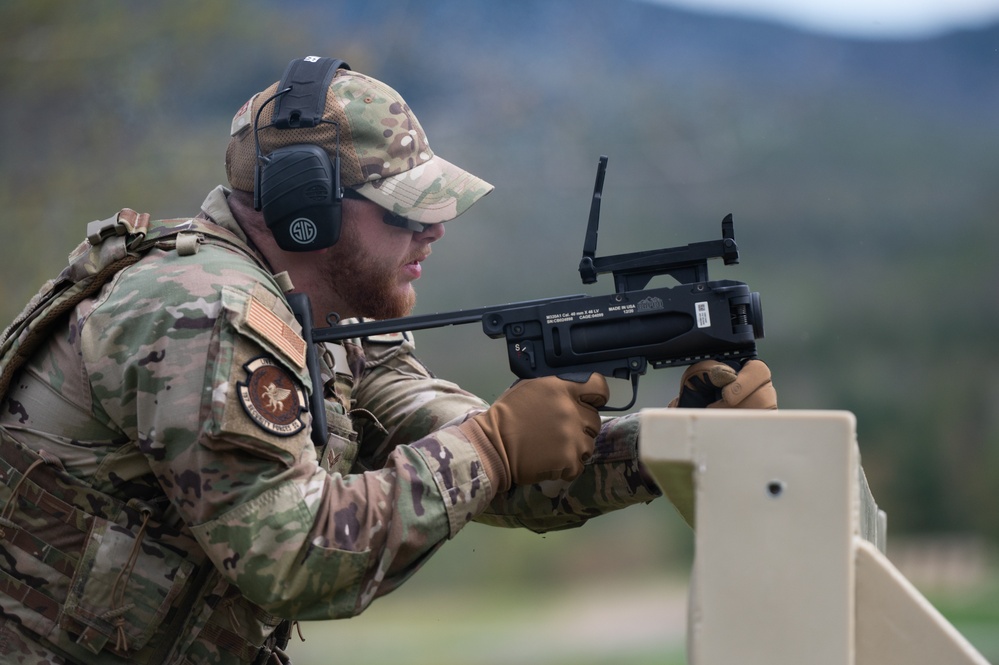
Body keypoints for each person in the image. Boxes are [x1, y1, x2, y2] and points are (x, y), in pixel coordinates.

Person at [0, 57, 776, 664]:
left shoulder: (335, 318)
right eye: (408, 209)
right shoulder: (202, 307)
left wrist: (661, 442)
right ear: (308, 213)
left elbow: (456, 448)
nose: (434, 230)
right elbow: (292, 555)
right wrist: (491, 447)